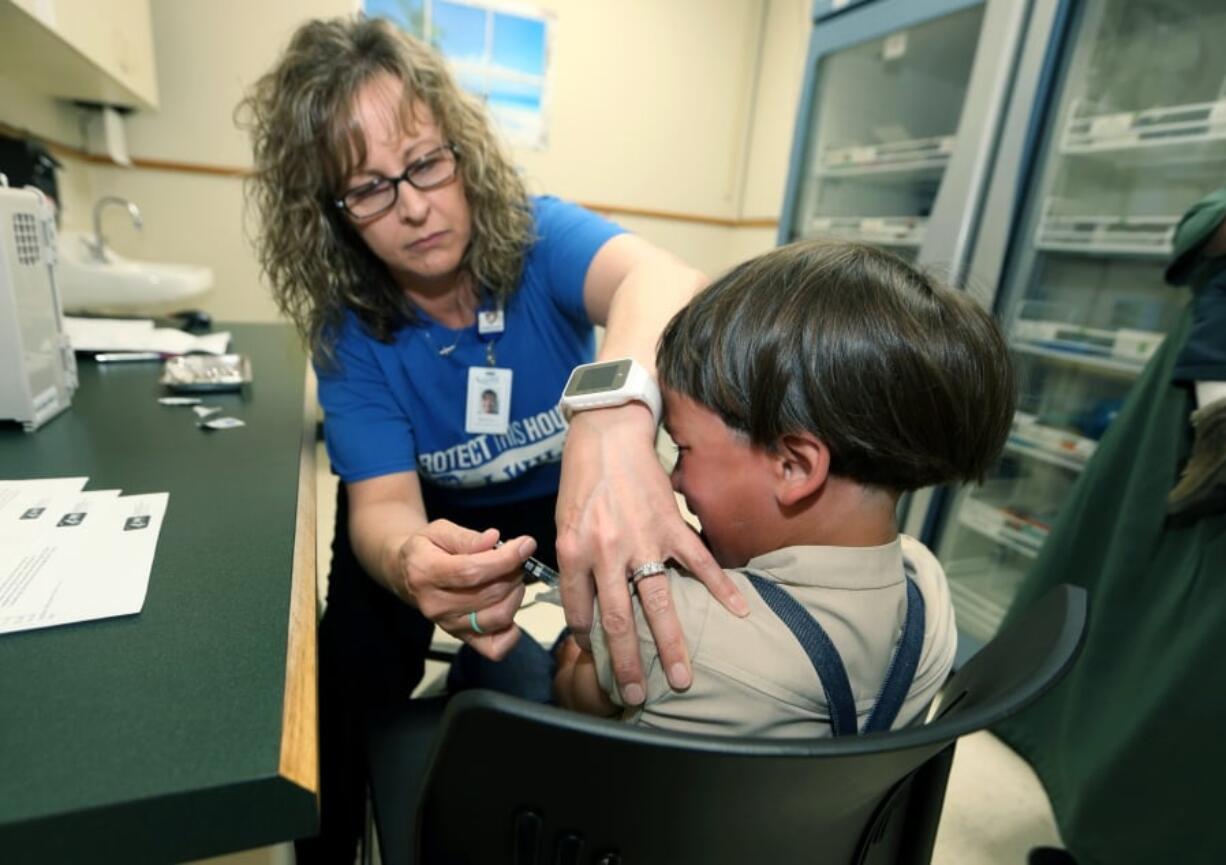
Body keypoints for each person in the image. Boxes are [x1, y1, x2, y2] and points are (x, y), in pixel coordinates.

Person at [238, 16, 742, 862]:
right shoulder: (351, 331)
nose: (415, 206)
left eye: (426, 163)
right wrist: (410, 562)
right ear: (329, 214)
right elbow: (384, 507)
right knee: (348, 680)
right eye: (369, 188)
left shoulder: (540, 239)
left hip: (564, 489)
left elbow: (665, 278)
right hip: (435, 515)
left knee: (628, 658)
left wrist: (614, 417)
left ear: (460, 148)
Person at [553, 239, 1017, 735]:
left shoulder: (669, 636)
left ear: (794, 466)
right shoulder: (927, 586)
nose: (672, 480)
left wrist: (583, 642)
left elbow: (570, 694)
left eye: (683, 449)